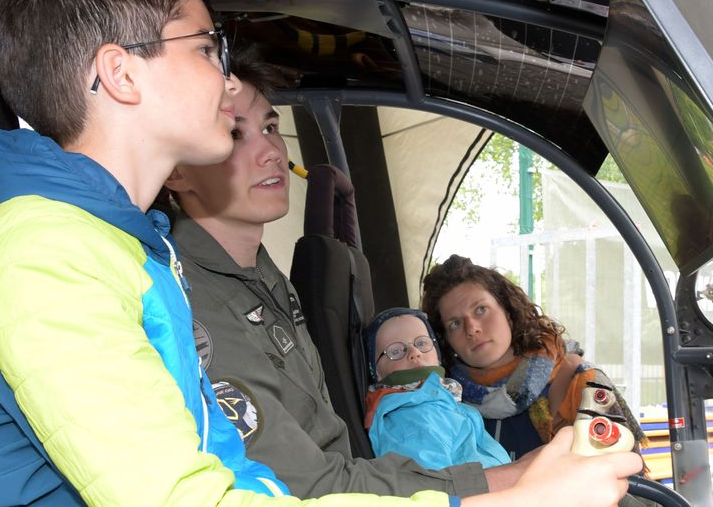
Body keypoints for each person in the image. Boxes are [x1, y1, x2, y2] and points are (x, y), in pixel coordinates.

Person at [0, 0, 640, 507]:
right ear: (122, 76)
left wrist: (498, 490)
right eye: (206, 49)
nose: (227, 80)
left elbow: (236, 473)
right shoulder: (42, 253)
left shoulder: (128, 249)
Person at [161, 48, 535, 498]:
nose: (271, 153)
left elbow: (334, 457)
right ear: (177, 170)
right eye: (235, 134)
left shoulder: (266, 278)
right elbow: (303, 486)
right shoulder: (193, 304)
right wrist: (501, 481)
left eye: (270, 127)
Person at [421, 254, 647, 459]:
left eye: (481, 309)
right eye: (455, 323)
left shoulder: (575, 381)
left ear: (508, 311)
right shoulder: (441, 400)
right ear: (445, 340)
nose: (471, 329)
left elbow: (622, 476)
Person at [362, 307, 512, 471]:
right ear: (376, 372)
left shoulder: (443, 403)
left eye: (422, 343)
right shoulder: (408, 416)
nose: (414, 352)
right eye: (395, 351)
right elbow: (432, 486)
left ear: (437, 355)